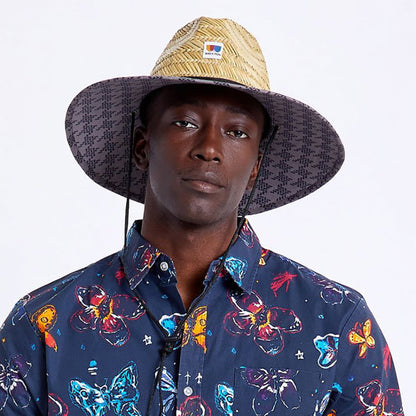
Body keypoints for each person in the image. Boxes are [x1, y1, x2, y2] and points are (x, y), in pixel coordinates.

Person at [0, 16, 403, 416]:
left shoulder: (338, 326)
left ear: (256, 165)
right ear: (142, 146)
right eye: (185, 122)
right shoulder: (41, 326)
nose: (209, 148)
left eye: (237, 132)